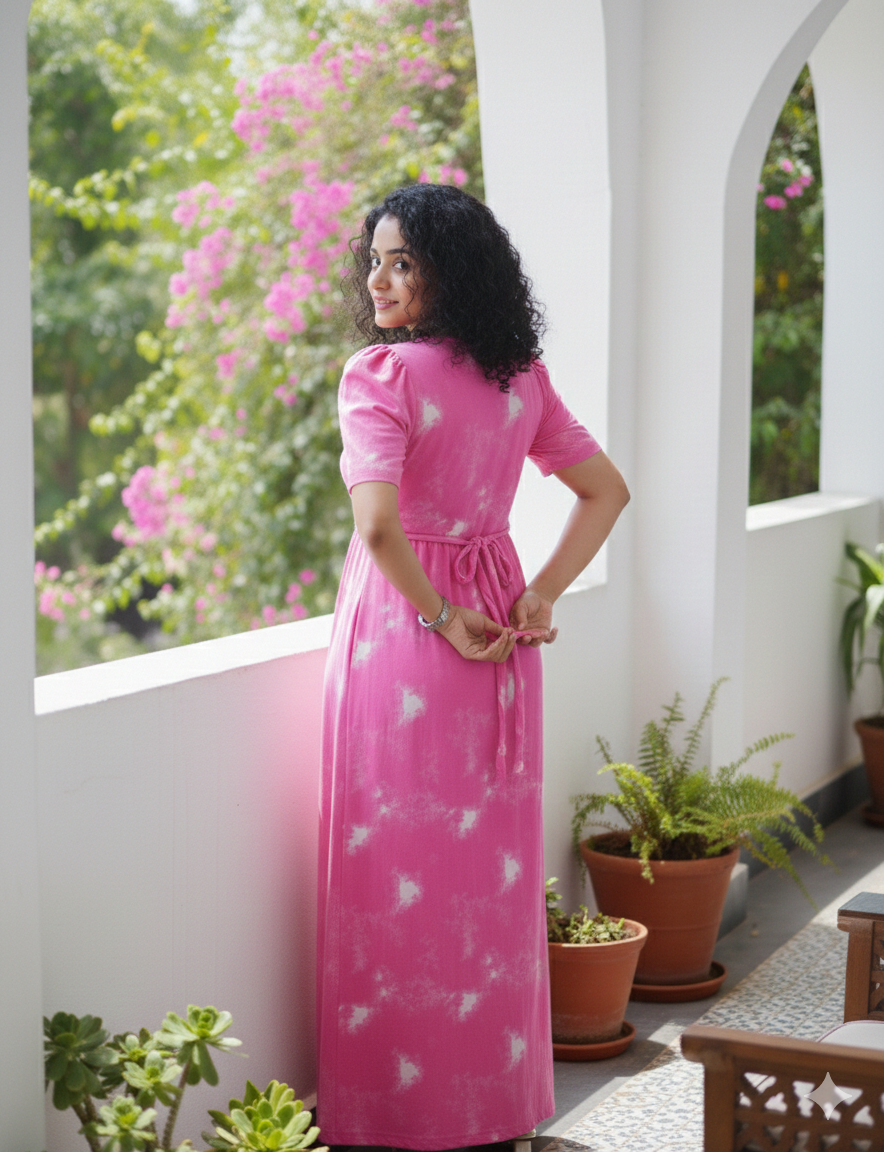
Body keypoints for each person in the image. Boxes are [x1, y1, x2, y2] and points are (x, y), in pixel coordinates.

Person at [317, 183, 629, 1150]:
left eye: (402, 261)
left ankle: (393, 1115)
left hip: (410, 635)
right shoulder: (518, 376)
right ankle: (488, 1109)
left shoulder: (381, 375)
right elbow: (606, 492)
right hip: (500, 629)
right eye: (375, 260)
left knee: (388, 863)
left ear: (449, 272)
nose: (379, 279)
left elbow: (378, 527)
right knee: (488, 878)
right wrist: (541, 594)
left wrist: (440, 615)